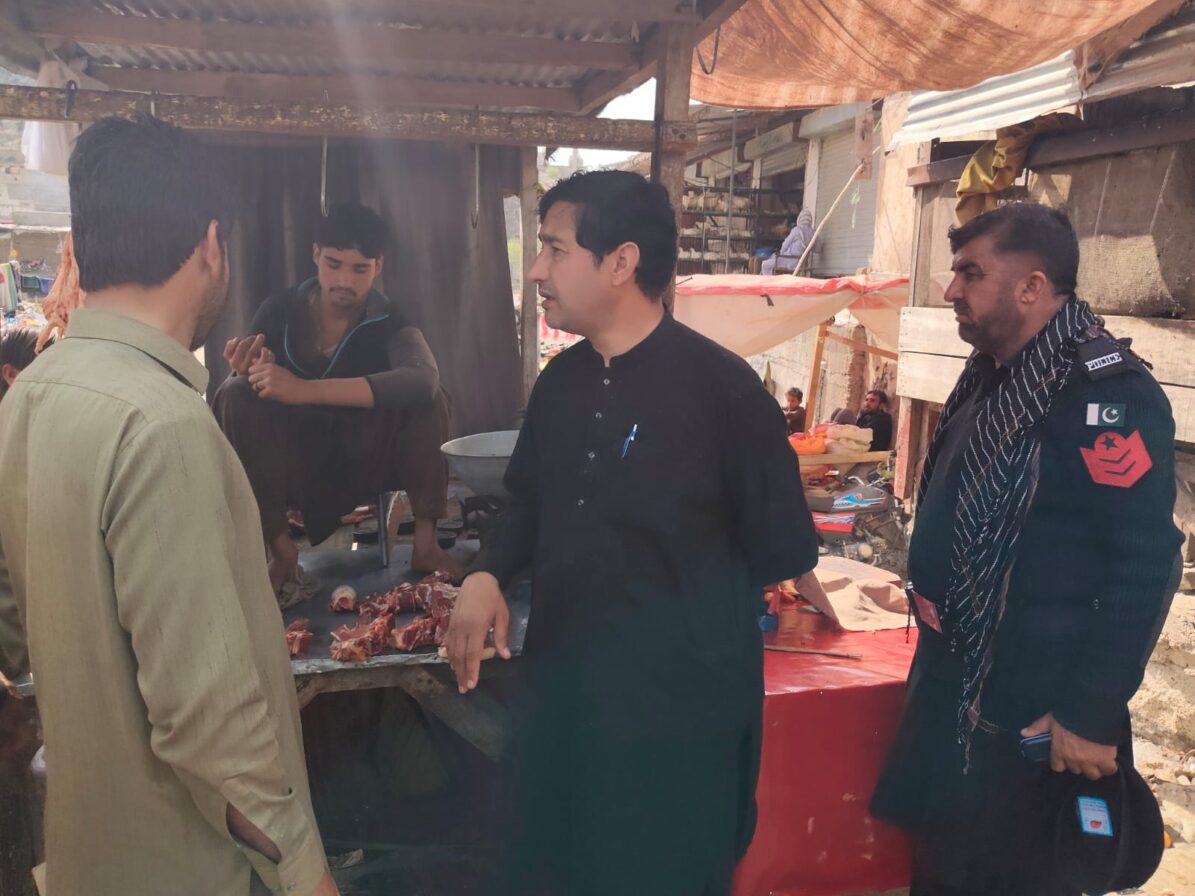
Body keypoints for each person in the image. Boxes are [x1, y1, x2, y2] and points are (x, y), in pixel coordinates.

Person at [444, 170, 819, 895]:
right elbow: (527, 503)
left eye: (554, 249)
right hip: (565, 711)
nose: (537, 271)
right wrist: (486, 573)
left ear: (620, 262)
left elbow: (783, 549)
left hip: (677, 735)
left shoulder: (726, 393)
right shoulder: (560, 383)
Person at [0, 116, 338, 896]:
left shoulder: (31, 396)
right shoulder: (162, 424)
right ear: (211, 246)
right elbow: (207, 719)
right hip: (188, 872)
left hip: (89, 858)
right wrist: (304, 873)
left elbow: (19, 636)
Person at [870, 203, 1182, 895]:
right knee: (944, 873)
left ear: (1031, 287)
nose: (951, 290)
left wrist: (1089, 711)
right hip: (958, 695)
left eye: (970, 273)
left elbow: (1144, 562)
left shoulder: (1104, 397)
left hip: (1035, 712)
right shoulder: (993, 374)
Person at [213, 202, 457, 592]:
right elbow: (246, 392)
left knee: (431, 399)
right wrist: (247, 369)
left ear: (378, 266)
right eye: (333, 264)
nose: (345, 280)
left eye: (360, 269)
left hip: (366, 458)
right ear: (315, 255)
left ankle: (426, 545)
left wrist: (302, 390)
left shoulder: (388, 318)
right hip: (294, 462)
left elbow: (422, 378)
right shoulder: (279, 312)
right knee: (235, 393)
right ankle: (281, 552)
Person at [761, 208, 814, 275]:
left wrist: (781, 254)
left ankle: (769, 281)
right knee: (773, 258)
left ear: (800, 218)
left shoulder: (796, 230)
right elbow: (818, 248)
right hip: (801, 264)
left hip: (788, 262)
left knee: (765, 264)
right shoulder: (813, 233)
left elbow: (785, 244)